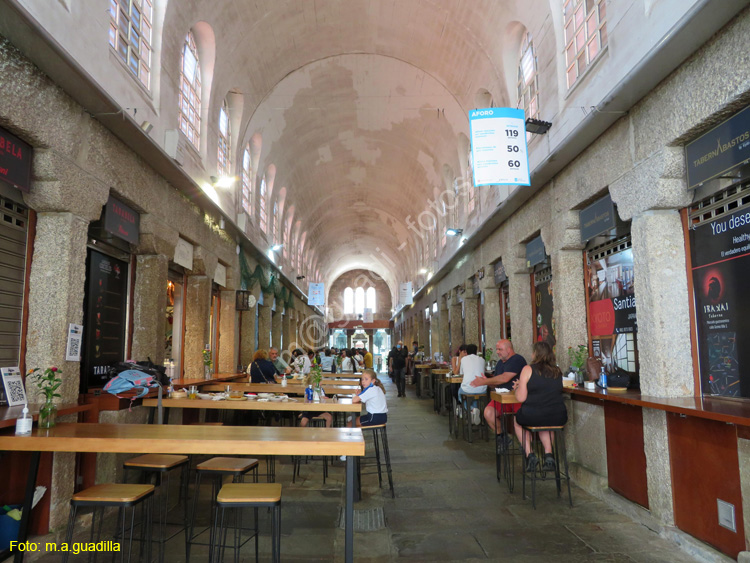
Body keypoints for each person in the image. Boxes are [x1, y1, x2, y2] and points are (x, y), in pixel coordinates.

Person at [513, 341, 568, 472]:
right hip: (558, 416)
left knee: (517, 421)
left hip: (533, 415)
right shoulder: (557, 371)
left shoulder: (528, 369)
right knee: (545, 423)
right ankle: (549, 456)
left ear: (536, 354)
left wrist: (517, 387)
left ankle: (530, 455)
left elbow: (521, 398)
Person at [471, 339, 527, 444]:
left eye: (500, 349)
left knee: (519, 420)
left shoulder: (517, 359)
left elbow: (504, 378)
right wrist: (486, 382)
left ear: (509, 349)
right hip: (502, 398)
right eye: (497, 349)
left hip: (517, 399)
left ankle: (525, 445)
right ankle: (502, 437)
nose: (497, 352)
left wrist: (483, 382)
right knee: (488, 413)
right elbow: (497, 382)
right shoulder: (500, 363)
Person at [458, 344, 485, 411]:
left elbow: (461, 374)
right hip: (482, 389)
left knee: (459, 394)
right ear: (476, 352)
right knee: (474, 397)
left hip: (467, 388)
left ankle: (472, 409)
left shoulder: (463, 359)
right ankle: (475, 412)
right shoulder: (482, 359)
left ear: (466, 352)